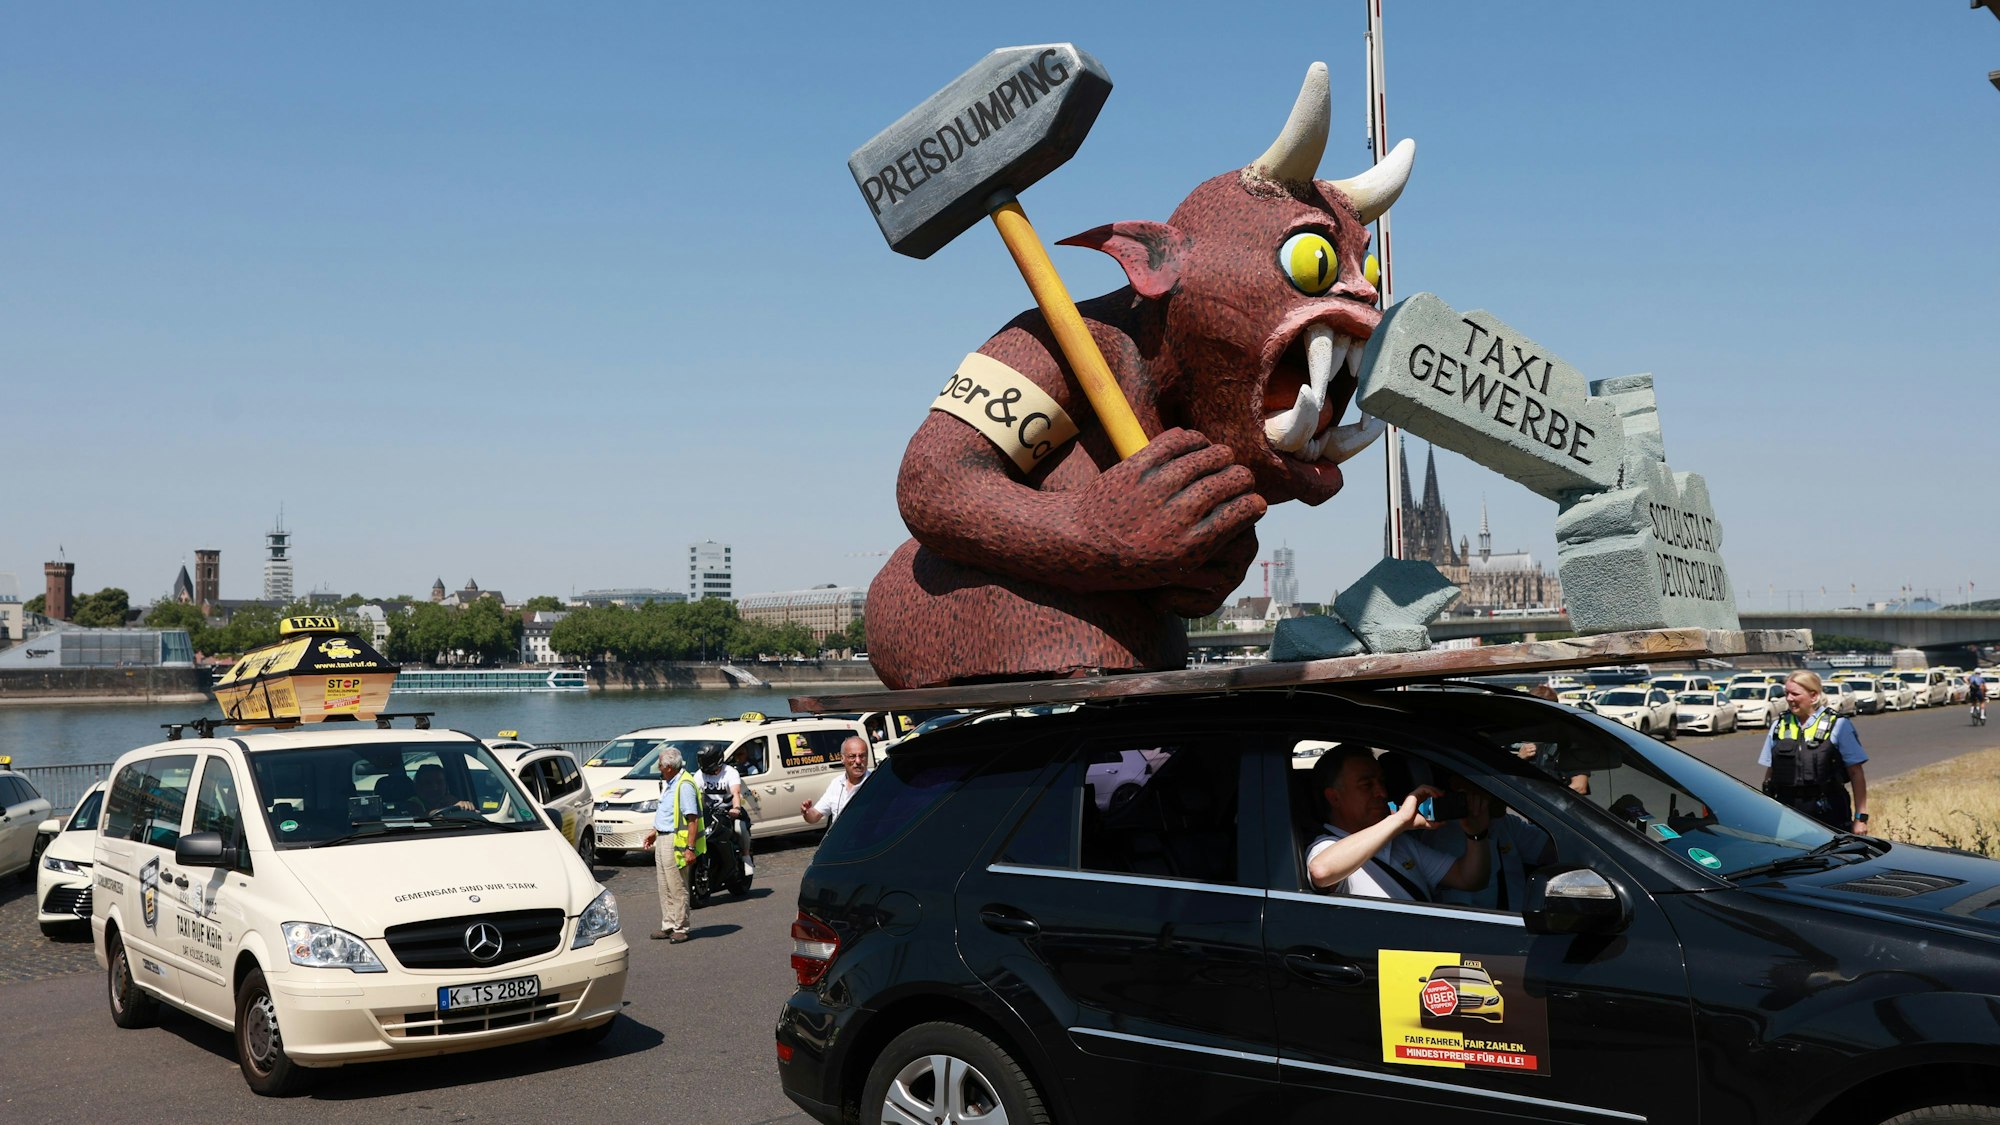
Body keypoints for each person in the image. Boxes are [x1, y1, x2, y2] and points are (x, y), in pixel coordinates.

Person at [1305, 746, 1491, 901]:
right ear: (1334, 798)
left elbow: (1469, 879)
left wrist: (1476, 835)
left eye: (1382, 782)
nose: (1382, 793)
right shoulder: (1327, 845)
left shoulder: (1399, 843)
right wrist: (1400, 820)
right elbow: (1321, 871)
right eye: (1366, 785)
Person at [1760, 670, 1870, 833]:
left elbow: (1856, 773)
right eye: (1787, 693)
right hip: (1787, 811)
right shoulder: (1779, 726)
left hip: (1828, 810)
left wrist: (1860, 818)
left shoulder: (1839, 725)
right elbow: (1771, 771)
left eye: (1795, 694)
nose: (1789, 698)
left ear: (1814, 696)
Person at [642, 748, 704, 943]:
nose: (659, 768)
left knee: (677, 885)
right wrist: (655, 831)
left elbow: (691, 819)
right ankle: (668, 924)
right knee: (664, 885)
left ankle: (681, 927)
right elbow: (668, 812)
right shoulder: (671, 782)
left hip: (675, 841)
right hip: (663, 837)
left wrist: (690, 848)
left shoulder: (684, 785)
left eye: (660, 765)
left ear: (668, 767)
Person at [697, 744, 752, 873]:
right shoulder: (700, 774)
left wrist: (736, 808)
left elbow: (735, 793)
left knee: (740, 828)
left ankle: (746, 856)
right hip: (709, 811)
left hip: (728, 810)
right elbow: (696, 793)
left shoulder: (730, 773)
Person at [801, 736, 871, 829]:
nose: (858, 761)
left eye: (862, 756)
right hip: (841, 841)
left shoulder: (876, 782)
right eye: (852, 756)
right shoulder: (836, 783)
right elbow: (815, 816)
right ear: (842, 758)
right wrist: (807, 812)